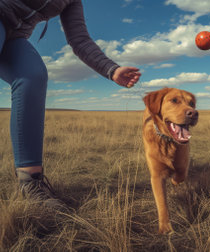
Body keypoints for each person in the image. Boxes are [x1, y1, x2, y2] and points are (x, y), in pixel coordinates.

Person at [0, 0, 141, 210]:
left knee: (32, 76)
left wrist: (112, 70)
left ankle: (31, 184)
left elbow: (80, 40)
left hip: (15, 36)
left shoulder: (72, 2)